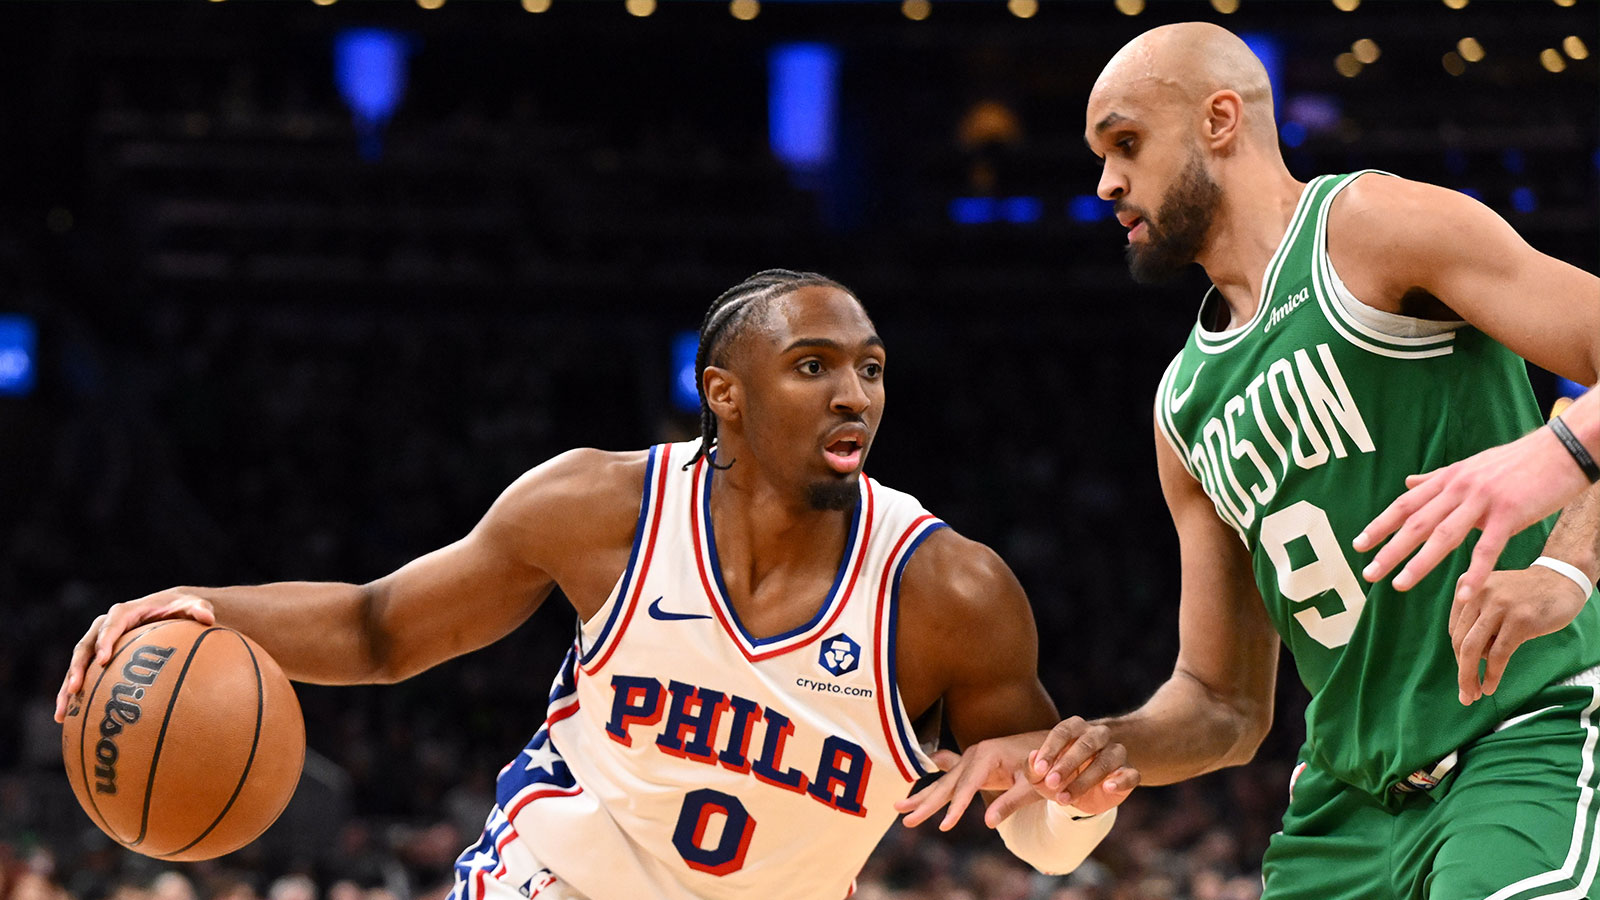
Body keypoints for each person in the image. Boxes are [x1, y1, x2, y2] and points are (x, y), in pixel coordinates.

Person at [55, 270, 1136, 900]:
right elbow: (381, 627)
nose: (853, 392)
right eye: (813, 366)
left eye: (870, 368)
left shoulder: (949, 592)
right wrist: (192, 606)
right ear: (724, 392)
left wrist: (1075, 797)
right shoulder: (597, 509)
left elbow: (1033, 823)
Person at [899, 22, 1600, 900]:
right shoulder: (1182, 406)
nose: (1106, 182)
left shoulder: (1371, 229)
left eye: (1125, 143)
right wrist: (1099, 746)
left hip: (1520, 738)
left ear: (1220, 120)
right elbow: (1222, 705)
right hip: (1346, 804)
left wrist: (1567, 564)